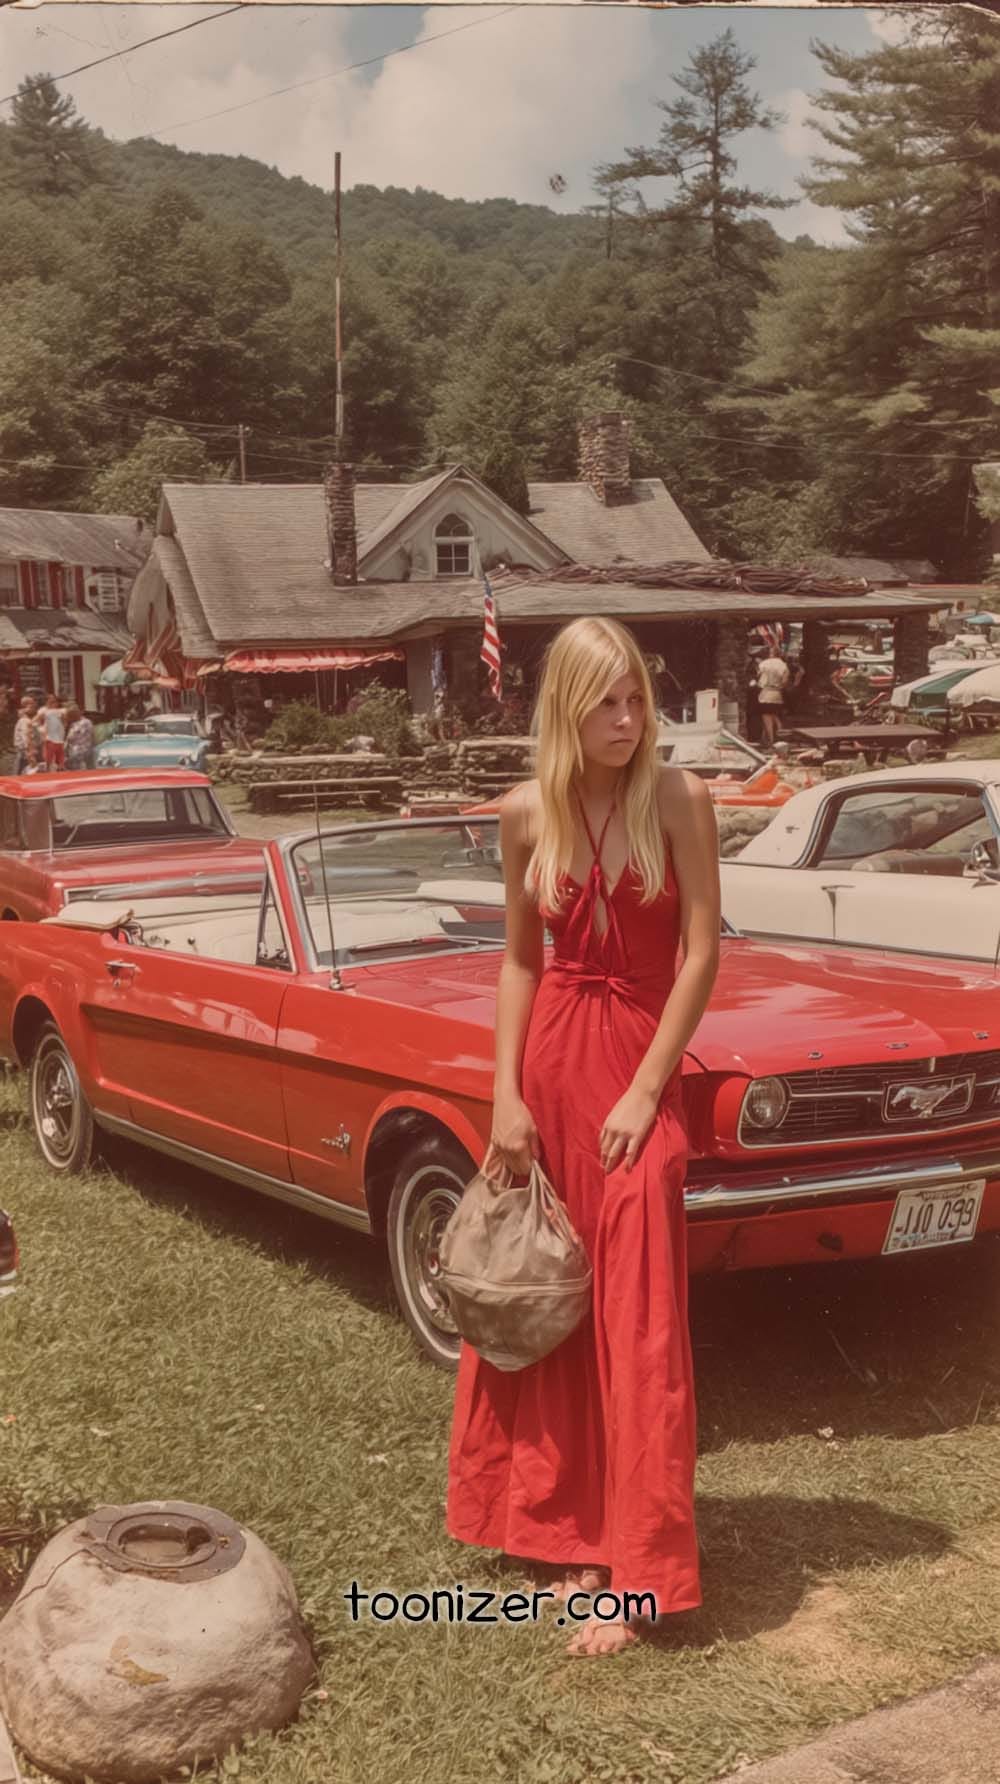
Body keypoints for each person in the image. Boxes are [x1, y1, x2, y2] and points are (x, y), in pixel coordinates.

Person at [447, 616, 721, 1658]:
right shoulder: (527, 812)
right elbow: (520, 960)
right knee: (548, 1296)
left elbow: (700, 954)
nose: (625, 718)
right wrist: (502, 1095)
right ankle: (564, 1528)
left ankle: (638, 1563)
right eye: (603, 700)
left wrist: (648, 1093)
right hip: (552, 1068)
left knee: (638, 1311)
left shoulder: (678, 799)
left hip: (635, 1072)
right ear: (563, 706)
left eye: (636, 697)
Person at [756, 648, 790, 745]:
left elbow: (758, 675)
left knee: (766, 717)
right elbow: (784, 682)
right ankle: (781, 736)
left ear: (771, 653)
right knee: (774, 715)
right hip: (777, 694)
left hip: (765, 693)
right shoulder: (784, 665)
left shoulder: (763, 664)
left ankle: (771, 740)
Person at [63, 703, 96, 771]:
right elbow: (68, 741)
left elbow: (78, 740)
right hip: (73, 758)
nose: (69, 717)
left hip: (81, 758)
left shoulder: (85, 723)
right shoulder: (73, 725)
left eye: (70, 715)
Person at [39, 693, 66, 771]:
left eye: (54, 701)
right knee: (48, 758)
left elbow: (64, 722)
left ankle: (60, 770)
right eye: (50, 701)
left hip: (59, 737)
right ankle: (49, 772)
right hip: (48, 737)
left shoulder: (60, 711)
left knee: (60, 759)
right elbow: (39, 722)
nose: (53, 703)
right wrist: (42, 731)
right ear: (46, 701)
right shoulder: (43, 710)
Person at [12, 697, 39, 775]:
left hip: (24, 754)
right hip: (25, 755)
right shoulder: (25, 721)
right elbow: (27, 738)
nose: (34, 706)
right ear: (25, 707)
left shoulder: (26, 720)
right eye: (32, 705)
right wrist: (31, 755)